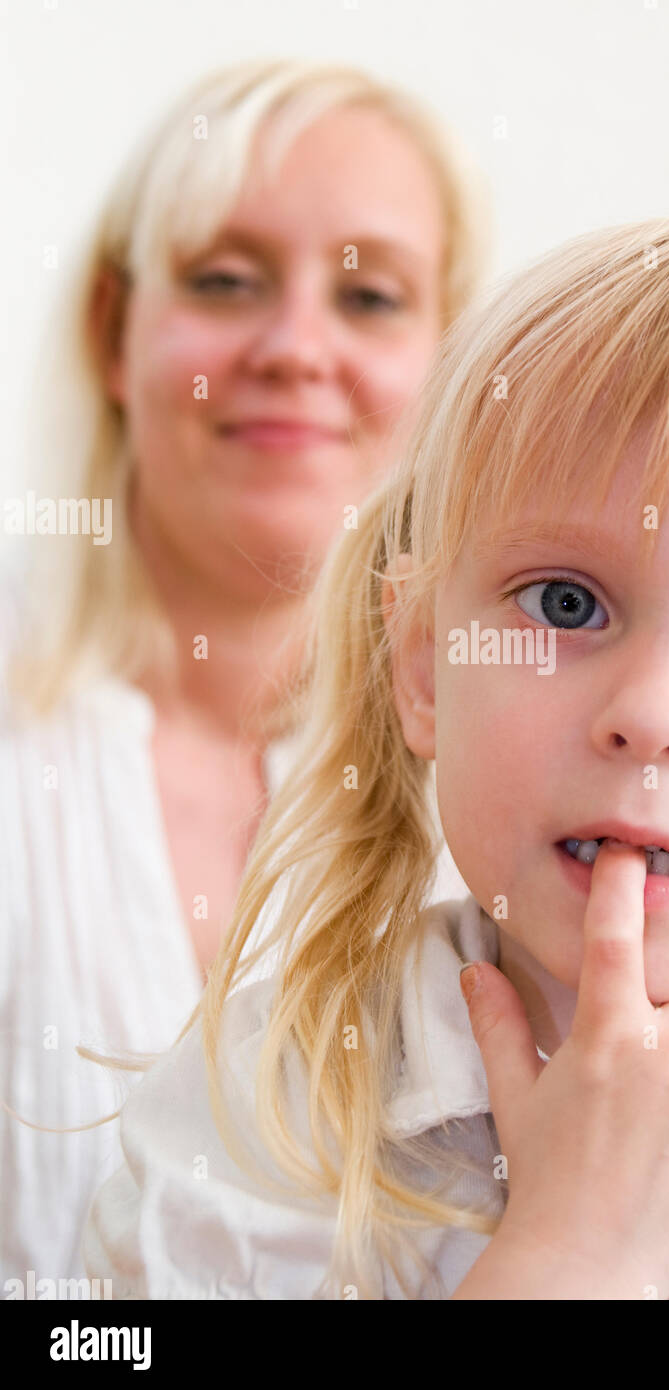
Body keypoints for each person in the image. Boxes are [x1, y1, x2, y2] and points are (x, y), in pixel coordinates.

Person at [84, 209, 669, 1299]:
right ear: (423, 664)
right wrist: (572, 1261)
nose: (655, 711)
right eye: (566, 601)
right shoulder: (267, 1109)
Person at [1, 57, 487, 1285]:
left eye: (369, 297)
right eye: (225, 280)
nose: (292, 347)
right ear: (115, 331)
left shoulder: (534, 783)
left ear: (445, 360)